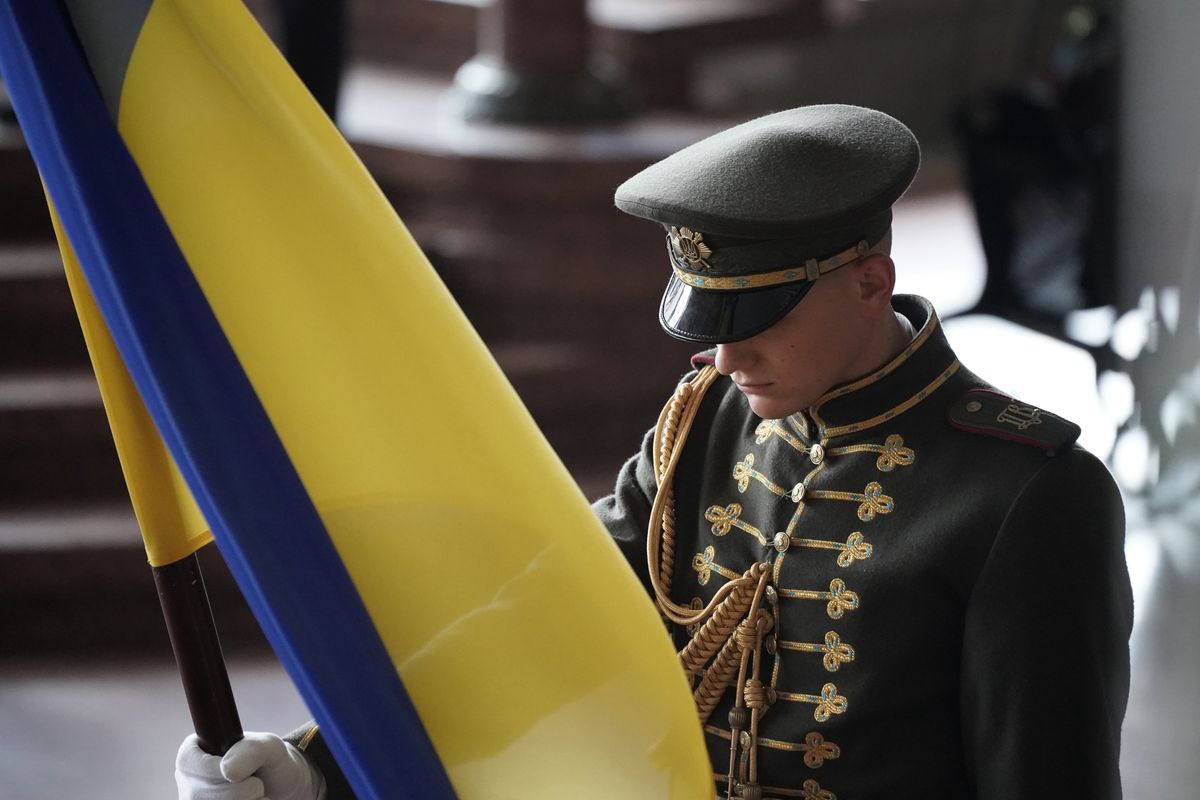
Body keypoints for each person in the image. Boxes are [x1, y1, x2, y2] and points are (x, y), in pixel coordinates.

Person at [176, 105, 1133, 799]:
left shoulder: (1025, 496)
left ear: (870, 279)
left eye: (756, 318)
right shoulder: (708, 421)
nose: (723, 355)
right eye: (708, 322)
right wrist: (316, 764)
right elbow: (545, 617)